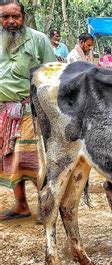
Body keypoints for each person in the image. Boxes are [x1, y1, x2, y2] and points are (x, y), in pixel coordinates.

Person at [0, 1, 56, 221]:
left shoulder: (39, 39)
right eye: (5, 17)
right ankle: (21, 205)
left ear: (23, 16)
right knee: (11, 159)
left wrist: (43, 104)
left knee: (33, 160)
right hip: (3, 112)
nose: (11, 22)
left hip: (29, 109)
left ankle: (47, 204)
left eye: (16, 16)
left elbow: (51, 72)